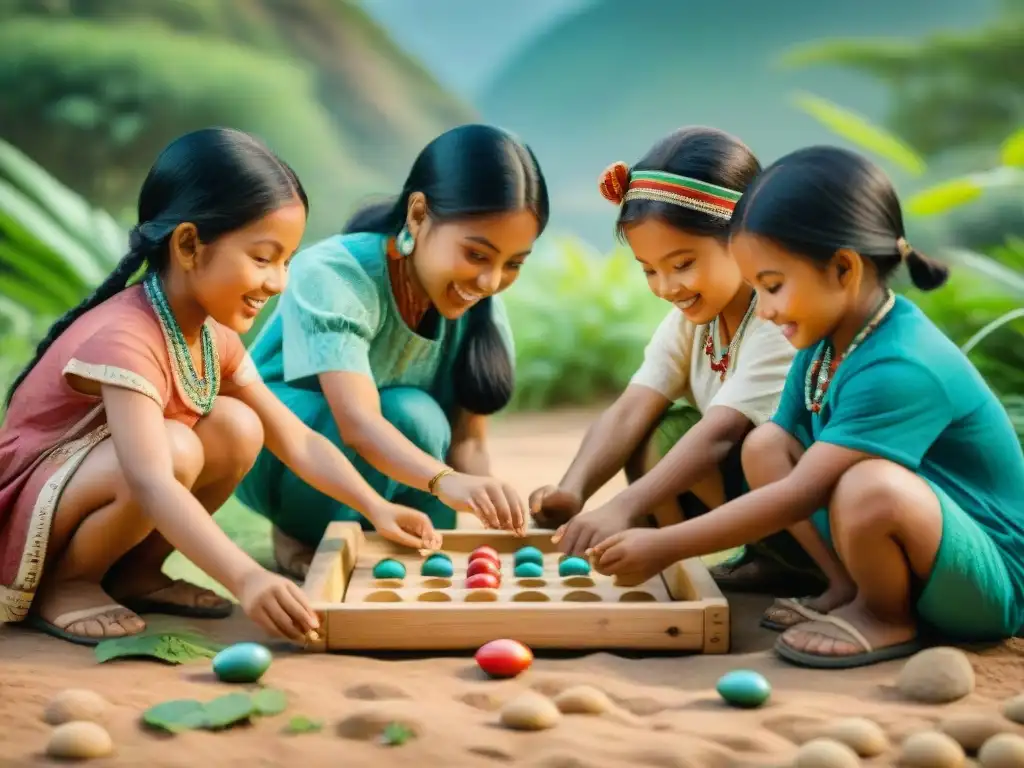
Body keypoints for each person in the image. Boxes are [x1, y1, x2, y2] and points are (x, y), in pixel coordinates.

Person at [588, 145, 1024, 669]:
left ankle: (884, 613)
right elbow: (777, 463)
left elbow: (800, 493)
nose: (765, 311)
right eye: (755, 289)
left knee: (871, 484)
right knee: (767, 443)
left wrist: (666, 545)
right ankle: (844, 587)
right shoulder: (824, 343)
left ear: (843, 268)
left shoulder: (903, 364)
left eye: (772, 286)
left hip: (988, 580)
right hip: (926, 555)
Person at [0, 127, 440, 646]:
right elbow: (151, 480)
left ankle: (135, 574)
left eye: (286, 262)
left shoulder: (211, 335)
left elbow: (296, 440)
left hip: (105, 481)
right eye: (262, 258)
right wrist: (247, 577)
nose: (278, 282)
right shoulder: (126, 335)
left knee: (239, 425)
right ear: (189, 244)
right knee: (175, 447)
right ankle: (70, 583)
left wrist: (376, 507)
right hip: (32, 504)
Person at [528, 126, 830, 604]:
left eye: (682, 263)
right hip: (755, 500)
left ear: (744, 239)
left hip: (817, 512)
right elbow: (630, 410)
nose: (667, 286)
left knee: (715, 441)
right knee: (653, 430)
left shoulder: (777, 321)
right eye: (649, 269)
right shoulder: (692, 321)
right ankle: (760, 561)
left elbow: (720, 437)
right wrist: (573, 490)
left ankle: (808, 569)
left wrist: (623, 507)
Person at [236, 124, 548, 577]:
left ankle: (396, 539)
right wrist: (447, 481)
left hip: (398, 458)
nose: (491, 282)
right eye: (477, 255)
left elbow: (466, 442)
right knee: (409, 415)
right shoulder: (335, 273)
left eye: (513, 263)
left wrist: (486, 493)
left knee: (415, 417)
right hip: (291, 450)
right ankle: (302, 534)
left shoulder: (482, 306)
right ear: (418, 215)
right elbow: (358, 423)